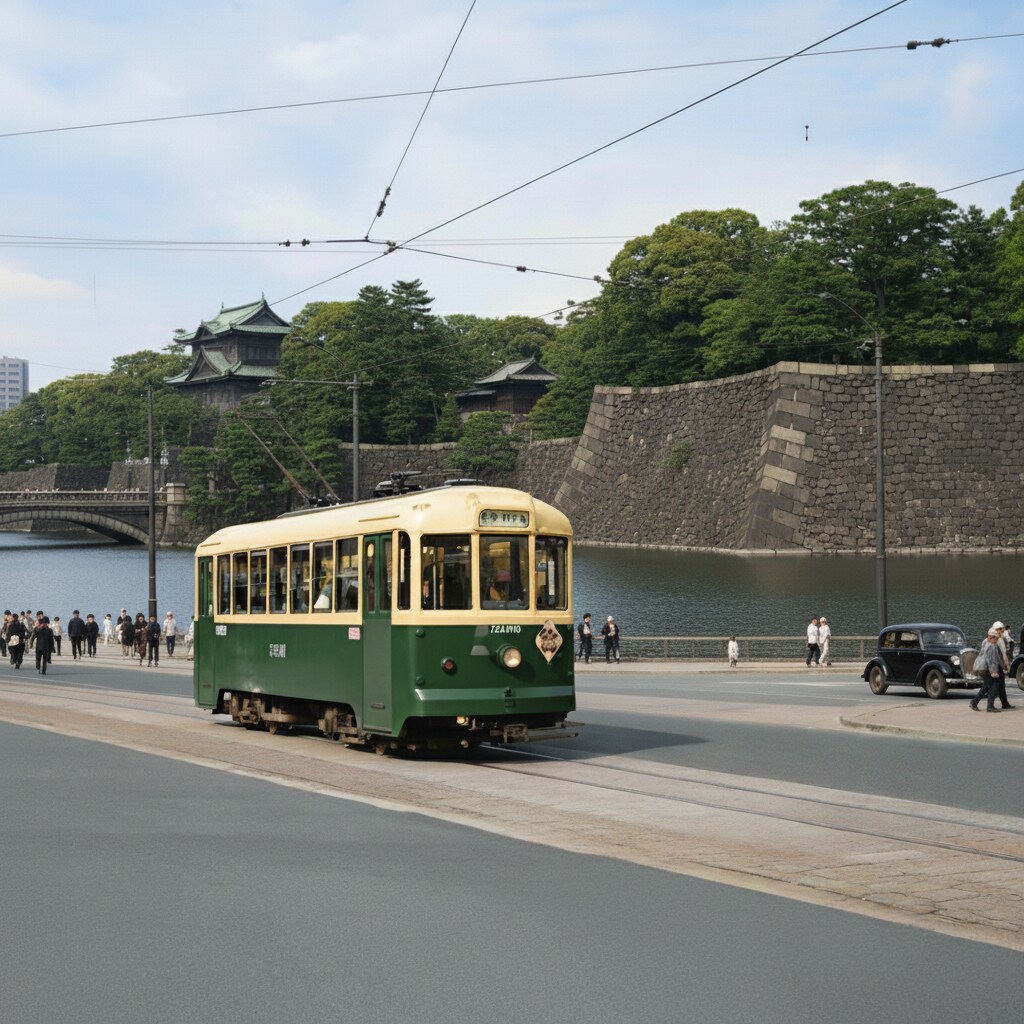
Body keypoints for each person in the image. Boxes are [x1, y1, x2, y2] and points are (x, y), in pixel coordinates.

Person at [970, 629, 1002, 712]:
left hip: (986, 669)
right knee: (994, 685)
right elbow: (990, 661)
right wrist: (993, 672)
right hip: (987, 670)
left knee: (986, 686)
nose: (997, 640)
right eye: (995, 638)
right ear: (991, 637)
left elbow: (995, 659)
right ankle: (989, 706)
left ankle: (974, 702)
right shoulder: (990, 646)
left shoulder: (988, 643)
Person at [991, 621, 1015, 710]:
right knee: (992, 685)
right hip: (996, 665)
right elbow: (1003, 654)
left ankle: (1004, 703)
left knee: (1000, 684)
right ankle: (977, 702)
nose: (1002, 630)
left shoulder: (994, 638)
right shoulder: (998, 639)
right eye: (1001, 629)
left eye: (1002, 629)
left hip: (996, 665)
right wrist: (1007, 665)